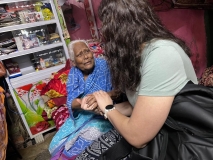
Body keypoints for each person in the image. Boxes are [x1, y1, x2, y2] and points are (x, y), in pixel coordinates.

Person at [75, 0, 198, 159]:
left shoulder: (161, 55)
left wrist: (108, 108)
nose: (103, 36)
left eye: (105, 28)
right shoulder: (137, 54)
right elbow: (139, 106)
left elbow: (138, 137)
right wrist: (99, 106)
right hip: (156, 129)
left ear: (118, 29)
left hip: (179, 138)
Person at [49, 40, 132, 160]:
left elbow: (119, 91)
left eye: (87, 51)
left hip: (104, 113)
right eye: (80, 55)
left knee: (85, 139)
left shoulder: (104, 65)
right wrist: (81, 103)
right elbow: (71, 100)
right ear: (73, 62)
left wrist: (101, 97)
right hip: (83, 114)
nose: (86, 56)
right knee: (55, 144)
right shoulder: (74, 72)